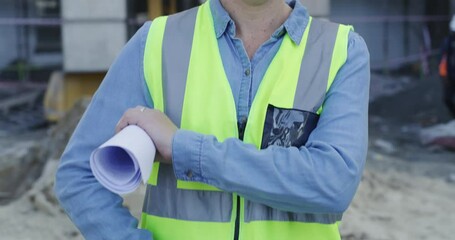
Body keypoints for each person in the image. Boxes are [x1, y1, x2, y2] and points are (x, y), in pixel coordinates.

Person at [54, 0, 370, 239]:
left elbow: (334, 183)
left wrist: (184, 149)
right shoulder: (157, 42)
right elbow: (81, 174)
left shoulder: (341, 51)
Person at [440, 15, 455, 117]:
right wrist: (444, 75)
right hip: (450, 76)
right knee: (447, 98)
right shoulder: (448, 42)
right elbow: (443, 60)